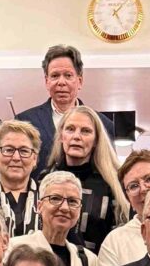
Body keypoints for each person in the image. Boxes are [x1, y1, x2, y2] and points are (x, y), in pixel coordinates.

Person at [44, 105, 127, 257]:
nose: (76, 136)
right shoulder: (45, 178)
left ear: (96, 140)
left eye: (85, 131)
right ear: (61, 136)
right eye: (70, 129)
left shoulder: (114, 185)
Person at [14, 44, 113, 157]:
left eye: (68, 75)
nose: (61, 82)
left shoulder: (103, 124)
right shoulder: (25, 121)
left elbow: (109, 167)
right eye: (55, 75)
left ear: (79, 81)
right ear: (47, 81)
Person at [0, 121, 42, 236]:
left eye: (24, 151)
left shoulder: (51, 199)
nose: (16, 157)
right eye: (8, 150)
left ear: (34, 158)